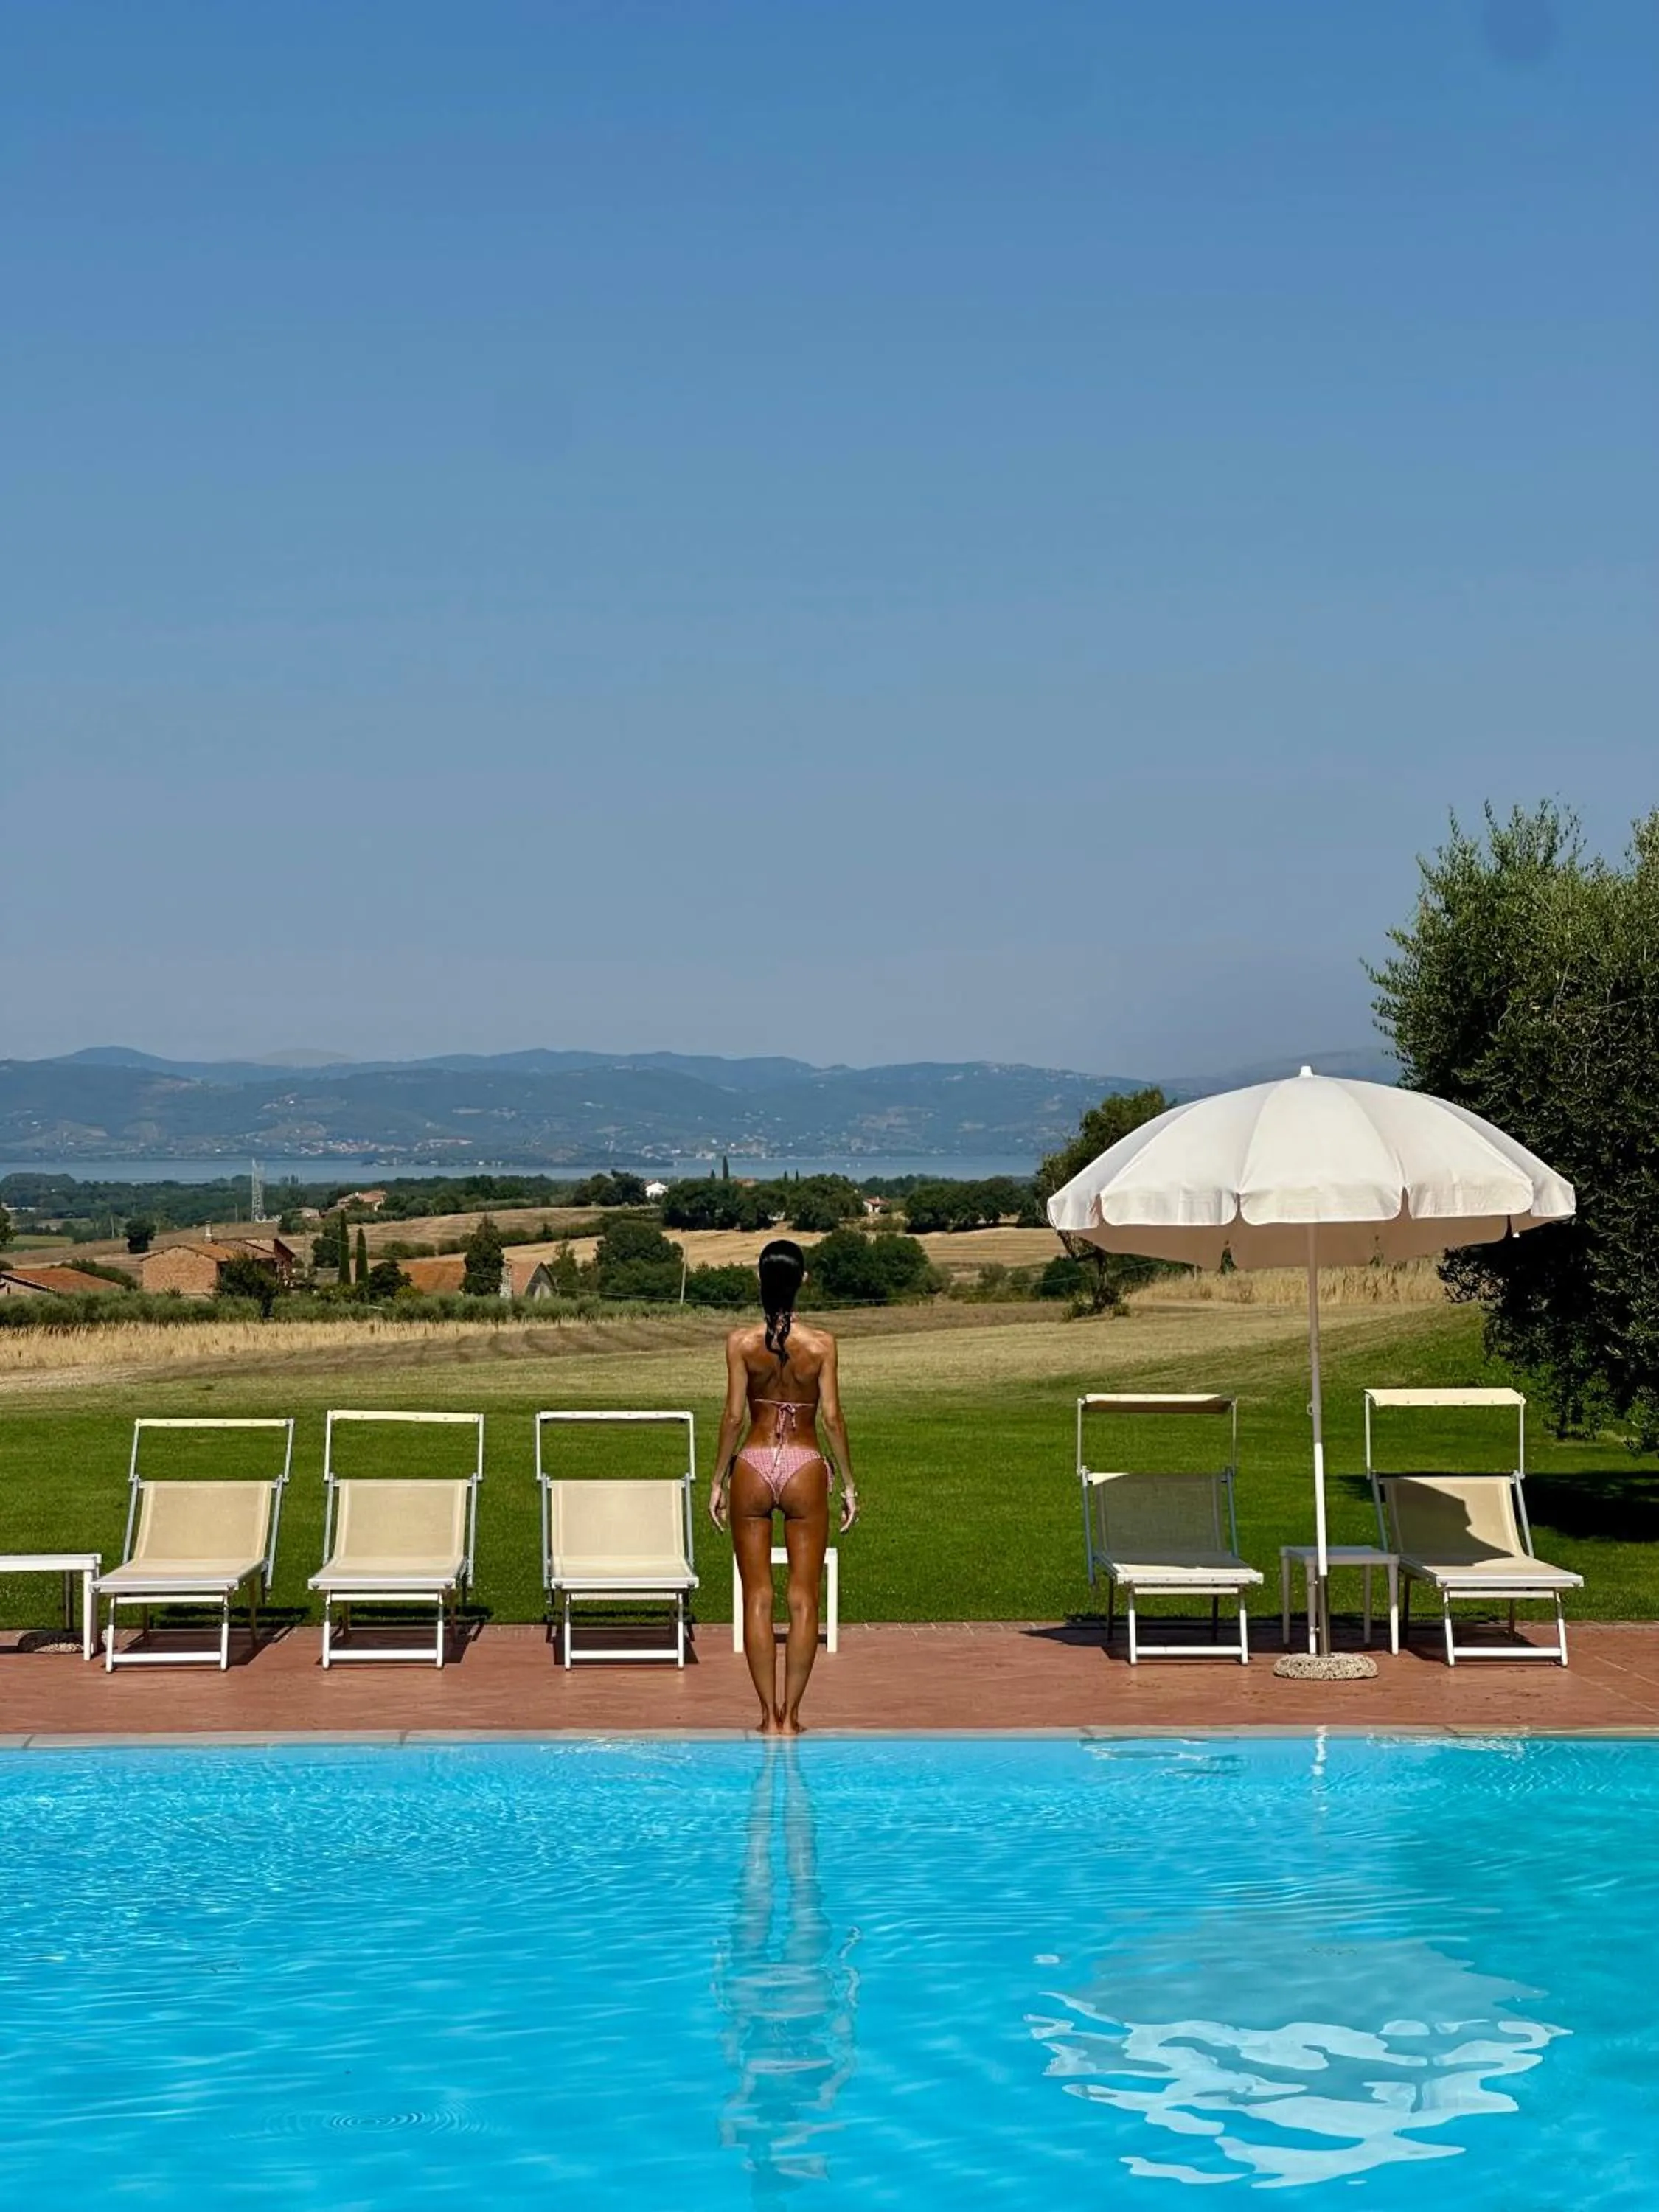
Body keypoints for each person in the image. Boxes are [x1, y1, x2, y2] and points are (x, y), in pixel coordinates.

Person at [712, 1239, 857, 1734]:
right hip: (804, 1463)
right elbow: (832, 1418)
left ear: (759, 1280)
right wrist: (850, 1482)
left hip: (752, 1462)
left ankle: (765, 1718)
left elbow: (733, 1416)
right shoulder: (822, 1345)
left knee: (757, 1596)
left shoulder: (740, 1344)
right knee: (802, 1597)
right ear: (804, 1281)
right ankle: (791, 1718)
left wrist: (716, 1479)